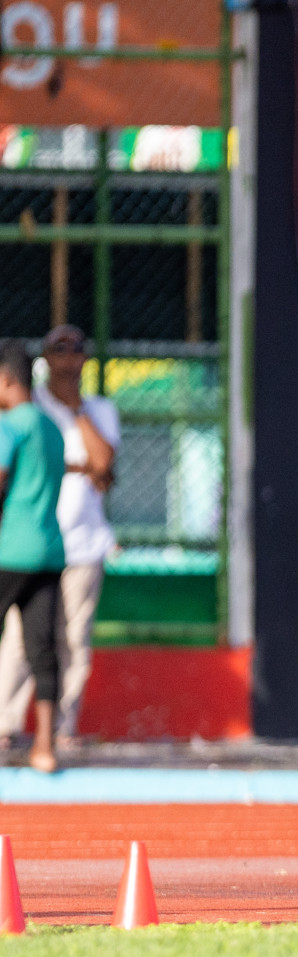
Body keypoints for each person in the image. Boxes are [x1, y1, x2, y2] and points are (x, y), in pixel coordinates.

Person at [0, 325, 118, 749]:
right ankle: (8, 726)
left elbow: (105, 466)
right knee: (21, 641)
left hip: (77, 545)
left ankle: (60, 731)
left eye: (76, 349)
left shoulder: (93, 410)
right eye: (58, 349)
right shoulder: (32, 411)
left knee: (69, 640)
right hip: (41, 543)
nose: (68, 358)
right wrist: (84, 468)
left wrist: (77, 411)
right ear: (44, 359)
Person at [0, 339, 68, 773]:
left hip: (9, 551)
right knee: (43, 648)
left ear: (5, 380)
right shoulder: (52, 427)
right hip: (49, 549)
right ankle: (45, 746)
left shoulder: (10, 425)